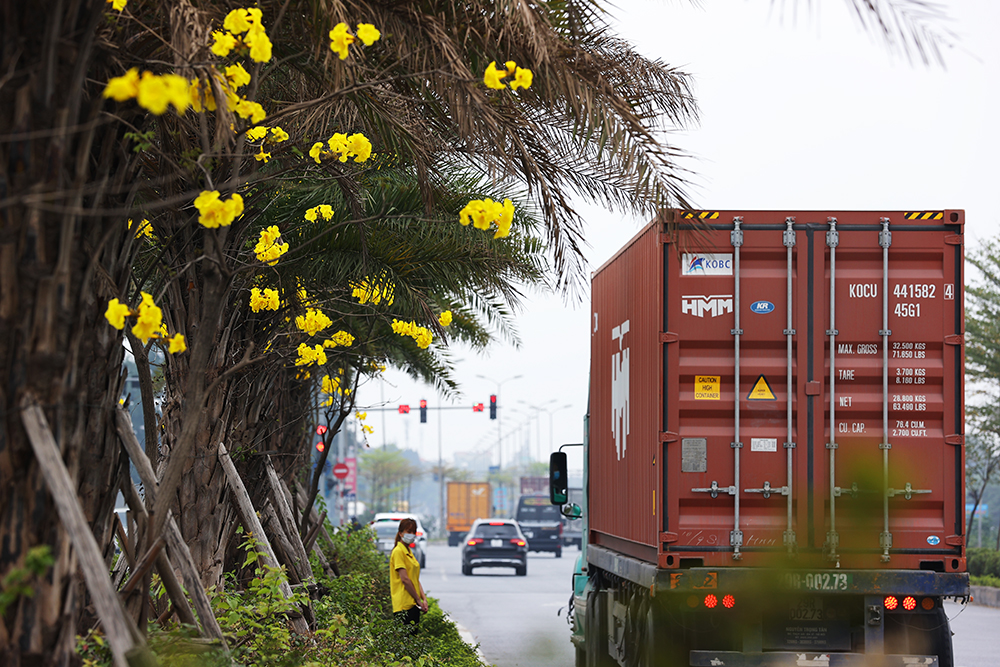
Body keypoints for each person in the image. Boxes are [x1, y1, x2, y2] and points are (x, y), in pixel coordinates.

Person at [389, 517, 428, 633]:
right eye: (408, 532)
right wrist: (418, 599)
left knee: (412, 643)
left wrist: (423, 599)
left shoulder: (409, 552)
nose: (411, 535)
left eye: (413, 532)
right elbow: (405, 579)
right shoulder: (398, 552)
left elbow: (415, 579)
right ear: (401, 533)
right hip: (403, 606)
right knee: (406, 642)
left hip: (413, 605)